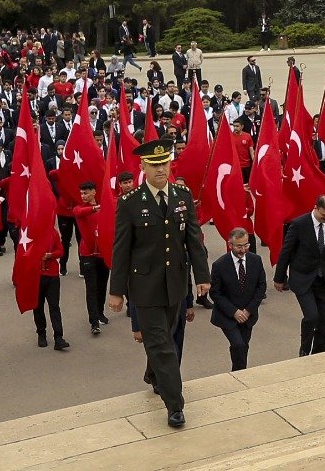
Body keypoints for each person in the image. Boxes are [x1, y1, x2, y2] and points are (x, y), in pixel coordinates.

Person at [108, 138, 211, 429]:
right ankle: (175, 404)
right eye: (154, 165)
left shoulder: (181, 195)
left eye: (164, 163)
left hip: (176, 284)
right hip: (144, 287)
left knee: (163, 337)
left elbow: (194, 239)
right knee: (164, 346)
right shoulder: (129, 203)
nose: (160, 170)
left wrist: (202, 277)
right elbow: (121, 249)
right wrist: (116, 292)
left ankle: (153, 375)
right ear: (143, 167)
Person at [274, 195, 325, 356]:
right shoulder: (299, 224)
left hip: (324, 279)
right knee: (311, 316)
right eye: (323, 215)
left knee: (324, 322)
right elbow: (286, 252)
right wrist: (279, 278)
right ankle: (305, 350)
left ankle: (320, 353)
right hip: (303, 278)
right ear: (315, 208)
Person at [209, 227, 267, 371]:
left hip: (248, 314)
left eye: (246, 245)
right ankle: (239, 373)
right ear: (230, 245)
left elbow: (261, 287)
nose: (243, 250)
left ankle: (240, 372)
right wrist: (234, 312)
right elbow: (215, 293)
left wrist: (248, 310)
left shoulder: (256, 260)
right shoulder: (220, 265)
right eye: (239, 246)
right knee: (238, 344)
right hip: (227, 315)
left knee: (244, 346)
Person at [72, 181, 110, 335]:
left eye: (86, 193)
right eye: (81, 193)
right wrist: (97, 207)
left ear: (94, 192)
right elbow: (80, 213)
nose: (83, 196)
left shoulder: (103, 209)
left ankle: (100, 312)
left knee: (102, 285)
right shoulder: (79, 209)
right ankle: (94, 322)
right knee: (91, 288)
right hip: (87, 254)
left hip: (102, 253)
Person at [33, 224, 69, 351]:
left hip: (52, 275)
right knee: (38, 307)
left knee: (54, 306)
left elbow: (61, 250)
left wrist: (50, 255)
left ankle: (58, 337)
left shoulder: (53, 232)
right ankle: (41, 333)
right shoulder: (31, 232)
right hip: (36, 276)